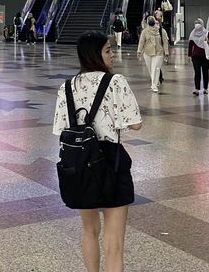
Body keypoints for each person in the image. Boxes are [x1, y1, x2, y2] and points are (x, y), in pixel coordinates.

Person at [53, 31, 142, 272]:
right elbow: (135, 123)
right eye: (107, 51)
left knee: (89, 230)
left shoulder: (66, 87)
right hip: (110, 161)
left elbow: (60, 128)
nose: (112, 55)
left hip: (79, 161)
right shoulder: (115, 82)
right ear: (94, 55)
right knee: (114, 243)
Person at [137, 15, 169, 93]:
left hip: (158, 52)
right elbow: (141, 41)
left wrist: (166, 52)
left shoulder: (161, 31)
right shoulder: (145, 31)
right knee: (151, 69)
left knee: (155, 68)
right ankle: (155, 81)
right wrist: (139, 51)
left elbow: (165, 42)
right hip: (147, 53)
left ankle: (154, 85)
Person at [188, 18, 209, 96]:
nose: (197, 24)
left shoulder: (207, 33)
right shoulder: (192, 33)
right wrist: (189, 55)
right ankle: (196, 89)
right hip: (195, 57)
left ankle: (206, 88)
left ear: (202, 24)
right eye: (196, 23)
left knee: (205, 73)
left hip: (205, 56)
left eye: (198, 23)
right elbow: (190, 45)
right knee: (197, 73)